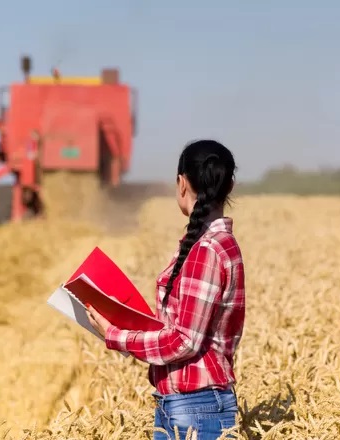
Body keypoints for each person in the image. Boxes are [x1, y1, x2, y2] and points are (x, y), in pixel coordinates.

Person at [86, 139, 245, 439]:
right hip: (190, 405)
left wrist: (115, 335)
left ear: (181, 183)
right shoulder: (214, 244)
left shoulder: (206, 250)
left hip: (195, 407)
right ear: (231, 185)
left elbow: (185, 341)